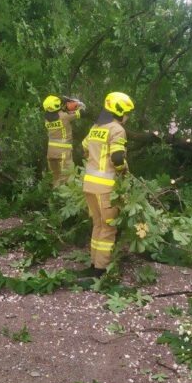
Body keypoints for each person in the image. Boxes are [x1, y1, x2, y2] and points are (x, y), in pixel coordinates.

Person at [80, 91, 134, 277]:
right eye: (127, 113)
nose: (127, 117)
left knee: (98, 225)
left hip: (89, 185)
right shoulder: (117, 129)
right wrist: (123, 171)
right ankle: (101, 270)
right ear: (120, 111)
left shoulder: (96, 127)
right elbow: (117, 157)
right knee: (109, 228)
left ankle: (94, 265)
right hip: (106, 188)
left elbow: (84, 148)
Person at [43, 95, 85, 187]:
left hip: (51, 152)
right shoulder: (64, 116)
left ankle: (55, 194)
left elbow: (57, 113)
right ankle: (67, 195)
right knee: (67, 177)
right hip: (63, 152)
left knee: (56, 177)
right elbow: (81, 112)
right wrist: (78, 104)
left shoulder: (46, 119)